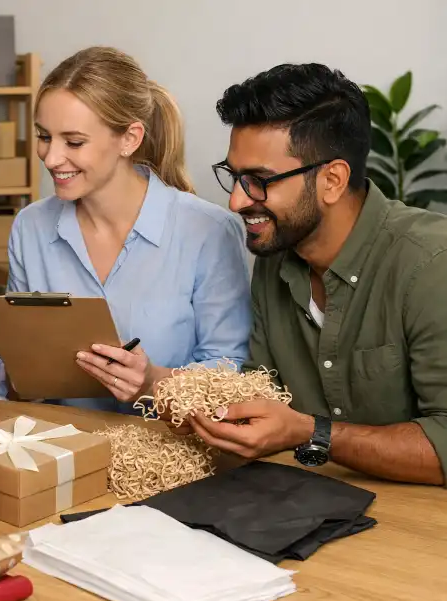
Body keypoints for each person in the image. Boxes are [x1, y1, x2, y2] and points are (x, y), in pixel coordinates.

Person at [190, 62, 447, 486]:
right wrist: (207, 414)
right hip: (298, 511)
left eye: (258, 180)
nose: (236, 202)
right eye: (234, 177)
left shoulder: (431, 264)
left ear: (332, 180)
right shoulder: (274, 258)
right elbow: (263, 396)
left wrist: (313, 432)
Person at [0, 46, 252, 412]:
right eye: (44, 136)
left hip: (174, 456)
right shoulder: (30, 227)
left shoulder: (208, 231)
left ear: (129, 139)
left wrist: (152, 382)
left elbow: (231, 373)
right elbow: (15, 367)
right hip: (66, 451)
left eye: (74, 141)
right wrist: (19, 377)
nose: (51, 158)